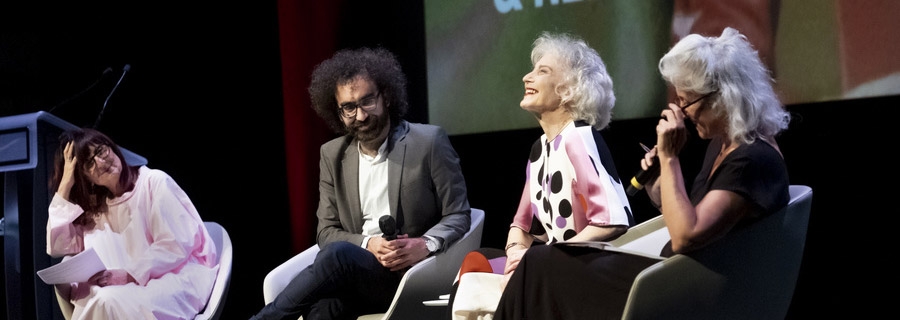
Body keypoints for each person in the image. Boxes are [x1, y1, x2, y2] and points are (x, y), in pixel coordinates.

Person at [493, 26, 792, 319]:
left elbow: (687, 237)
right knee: (540, 266)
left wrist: (671, 158)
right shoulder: (724, 148)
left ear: (723, 95)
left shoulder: (752, 160)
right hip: (674, 273)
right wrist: (661, 190)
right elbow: (695, 222)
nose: (683, 111)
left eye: (687, 101)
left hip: (697, 287)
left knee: (543, 264)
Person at [251, 47, 471, 320]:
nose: (361, 115)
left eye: (368, 101)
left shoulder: (429, 142)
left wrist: (425, 243)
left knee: (337, 256)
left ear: (386, 96)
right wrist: (368, 243)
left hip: (412, 274)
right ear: (339, 112)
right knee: (321, 310)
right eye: (349, 107)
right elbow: (326, 231)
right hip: (357, 277)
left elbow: (459, 214)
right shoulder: (332, 155)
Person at [449, 31, 634, 319]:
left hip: (588, 269)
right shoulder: (540, 150)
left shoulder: (579, 138)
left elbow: (612, 221)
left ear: (568, 89)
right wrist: (515, 256)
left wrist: (539, 258)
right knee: (479, 259)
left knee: (532, 265)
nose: (526, 77)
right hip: (548, 265)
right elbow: (521, 226)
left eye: (542, 71)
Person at [47, 128, 219, 319]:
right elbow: (58, 247)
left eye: (101, 151)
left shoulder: (154, 182)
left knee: (106, 301)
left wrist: (130, 273)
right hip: (120, 289)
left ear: (112, 148)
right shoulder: (97, 208)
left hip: (172, 278)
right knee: (102, 299)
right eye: (89, 163)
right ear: (86, 178)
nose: (100, 161)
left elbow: (176, 245)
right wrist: (64, 185)